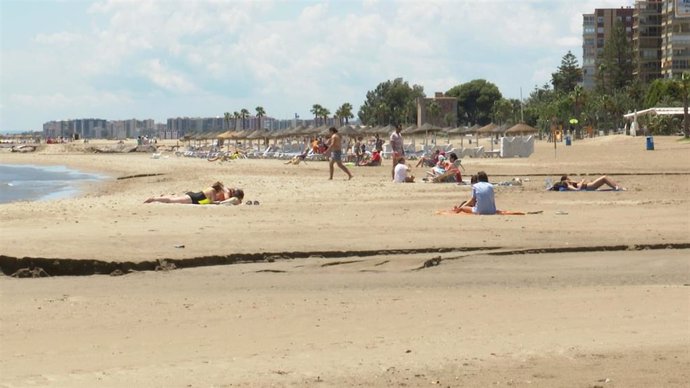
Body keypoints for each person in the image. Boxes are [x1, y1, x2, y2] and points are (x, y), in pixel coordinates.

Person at [144, 182, 244, 205]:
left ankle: (159, 197)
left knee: (174, 198)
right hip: (193, 198)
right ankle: (153, 199)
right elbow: (213, 201)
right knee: (171, 200)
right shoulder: (213, 191)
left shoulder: (214, 189)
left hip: (194, 196)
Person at [554, 175, 626, 191]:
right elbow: (577, 189)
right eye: (568, 178)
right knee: (604, 178)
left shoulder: (570, 183)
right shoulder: (568, 185)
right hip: (589, 187)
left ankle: (617, 187)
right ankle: (617, 188)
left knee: (604, 178)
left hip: (589, 185)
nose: (569, 179)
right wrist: (582, 181)